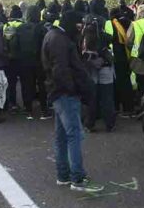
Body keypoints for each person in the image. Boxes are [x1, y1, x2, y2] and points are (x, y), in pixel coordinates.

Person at [41, 10, 102, 193]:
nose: (81, 28)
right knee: (74, 134)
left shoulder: (53, 35)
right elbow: (61, 69)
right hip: (65, 93)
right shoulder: (61, 40)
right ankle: (78, 178)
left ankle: (64, 175)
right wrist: (74, 89)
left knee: (61, 136)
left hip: (57, 92)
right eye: (78, 24)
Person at [81, 3, 116, 132]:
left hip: (90, 66)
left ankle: (89, 123)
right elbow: (110, 38)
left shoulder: (85, 28)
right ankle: (109, 123)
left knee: (91, 96)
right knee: (107, 95)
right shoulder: (103, 25)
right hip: (105, 65)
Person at [13, 3, 50, 120]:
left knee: (26, 85)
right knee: (42, 85)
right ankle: (44, 110)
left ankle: (28, 110)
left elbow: (14, 46)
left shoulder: (19, 29)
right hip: (40, 61)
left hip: (24, 61)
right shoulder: (42, 29)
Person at [3, 5, 25, 112]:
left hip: (9, 58)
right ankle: (26, 104)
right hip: (21, 58)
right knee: (25, 82)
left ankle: (12, 103)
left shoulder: (6, 25)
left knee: (10, 82)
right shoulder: (23, 25)